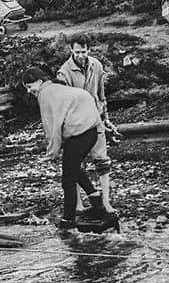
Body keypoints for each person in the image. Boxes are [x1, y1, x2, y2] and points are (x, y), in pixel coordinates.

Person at [20, 67, 105, 231]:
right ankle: (97, 202)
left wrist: (52, 151)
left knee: (68, 180)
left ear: (40, 81)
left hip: (79, 134)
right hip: (91, 131)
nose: (30, 91)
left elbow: (52, 126)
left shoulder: (45, 94)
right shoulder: (56, 87)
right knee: (73, 168)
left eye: (30, 86)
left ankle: (68, 222)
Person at [56, 35, 115, 213]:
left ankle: (106, 202)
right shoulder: (64, 72)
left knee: (103, 162)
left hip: (96, 119)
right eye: (77, 52)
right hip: (76, 125)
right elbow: (62, 104)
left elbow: (101, 94)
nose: (81, 55)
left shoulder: (96, 65)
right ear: (71, 51)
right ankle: (79, 203)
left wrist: (106, 118)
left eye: (84, 51)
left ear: (88, 50)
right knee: (76, 165)